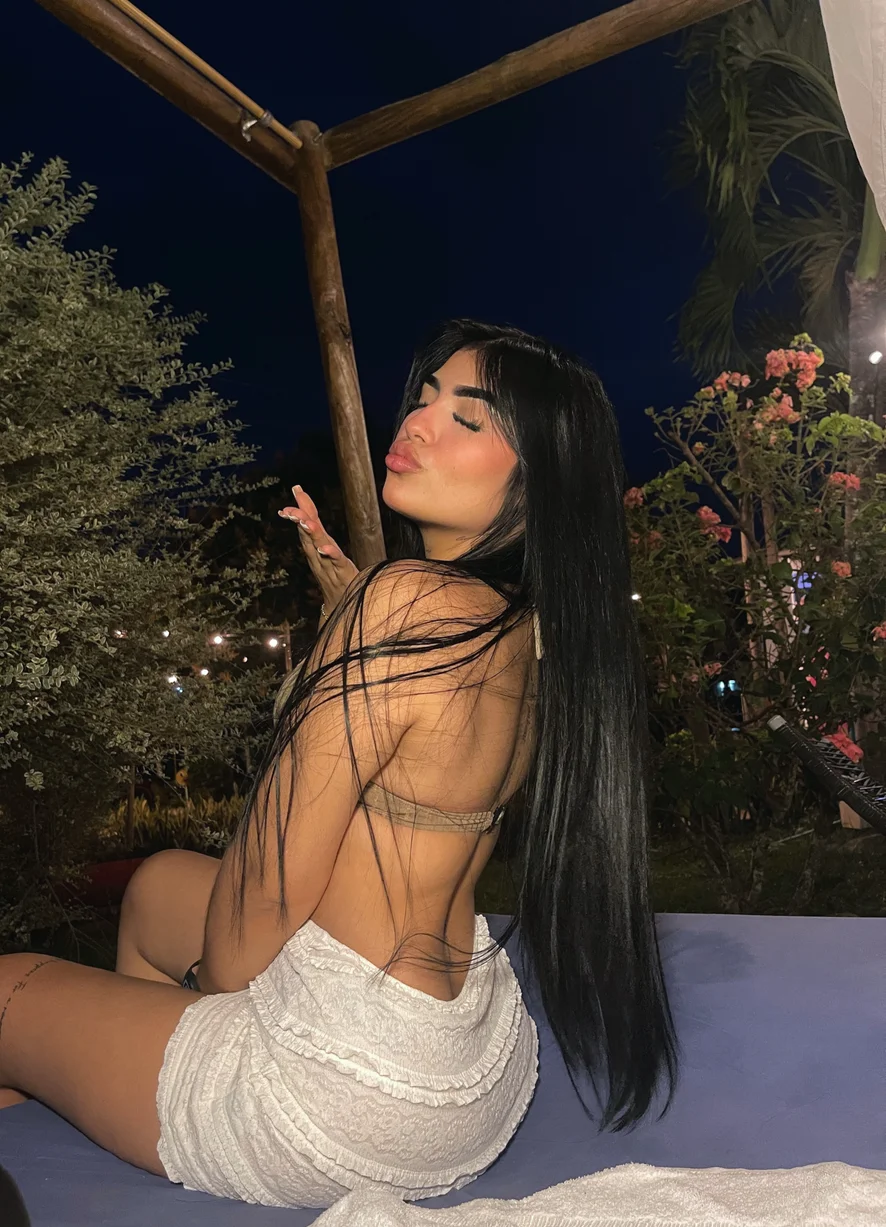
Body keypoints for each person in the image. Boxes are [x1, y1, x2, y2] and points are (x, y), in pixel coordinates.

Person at [0, 320, 679, 1209]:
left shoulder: (401, 604)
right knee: (158, 884)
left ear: (536, 480)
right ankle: (152, 1089)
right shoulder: (525, 628)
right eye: (426, 396)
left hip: (347, 1098)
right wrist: (356, 610)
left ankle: (179, 1095)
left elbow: (240, 946)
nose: (420, 421)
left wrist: (353, 634)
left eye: (467, 419)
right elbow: (426, 732)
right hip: (468, 1071)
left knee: (7, 986)